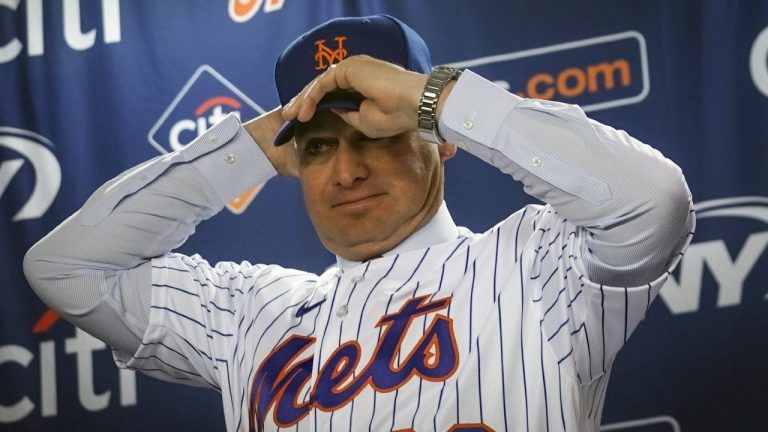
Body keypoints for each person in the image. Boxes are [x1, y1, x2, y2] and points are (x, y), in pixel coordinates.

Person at [24, 15, 694, 432]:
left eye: (375, 132)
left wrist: (428, 98)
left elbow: (654, 200)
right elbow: (65, 267)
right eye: (317, 146)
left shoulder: (536, 263)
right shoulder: (250, 312)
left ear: (440, 137)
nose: (345, 171)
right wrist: (255, 144)